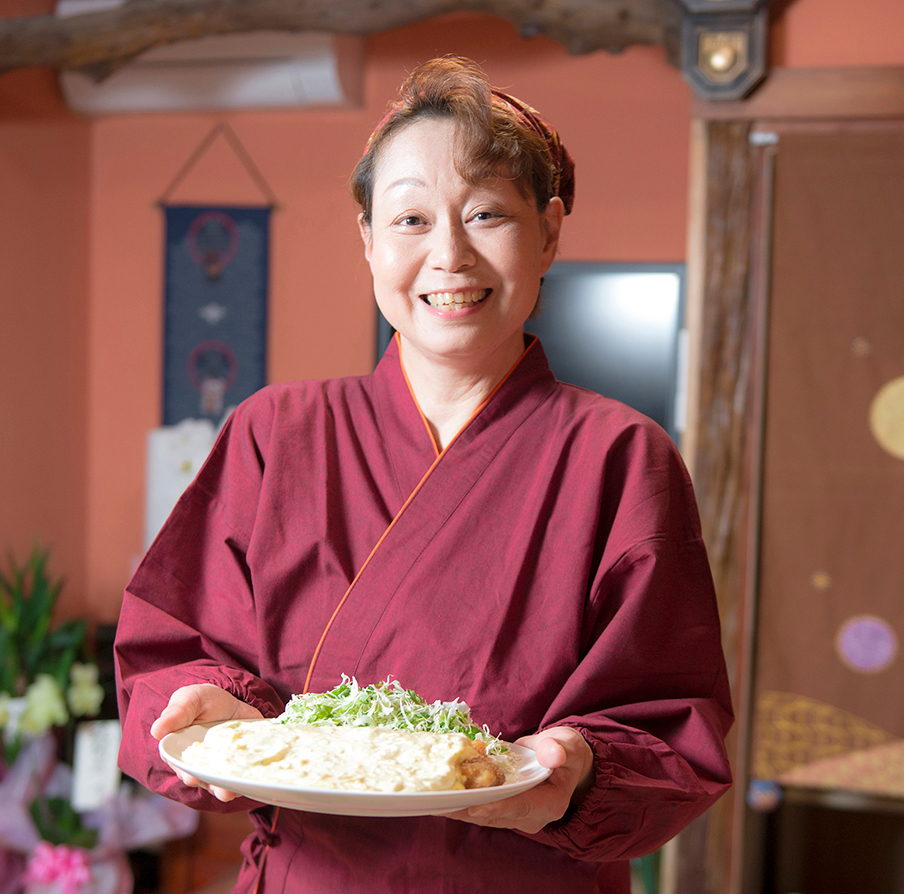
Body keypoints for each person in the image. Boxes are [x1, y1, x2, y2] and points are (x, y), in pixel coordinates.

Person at [115, 56, 733, 894]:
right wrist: (204, 707)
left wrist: (572, 767)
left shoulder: (621, 459)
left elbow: (673, 727)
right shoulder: (277, 433)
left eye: (486, 214)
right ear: (368, 239)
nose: (449, 254)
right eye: (410, 219)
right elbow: (172, 649)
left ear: (548, 231)